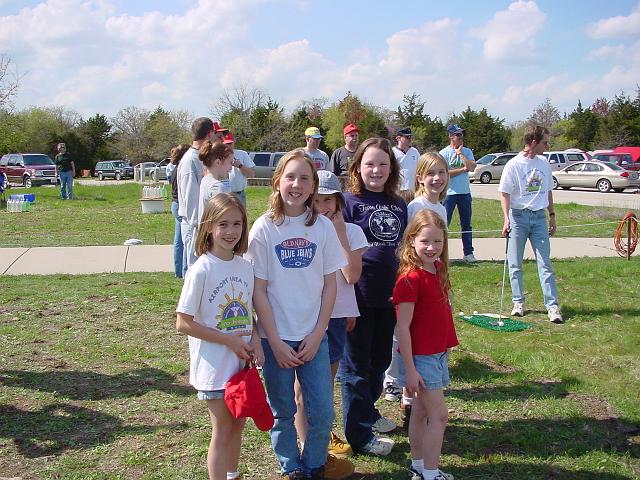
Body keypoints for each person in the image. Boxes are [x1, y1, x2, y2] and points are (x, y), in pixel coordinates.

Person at [246, 150, 352, 480]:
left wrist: (319, 332)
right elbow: (258, 289)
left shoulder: (321, 227)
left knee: (321, 412)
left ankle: (314, 465)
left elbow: (330, 285)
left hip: (313, 338)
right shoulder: (264, 228)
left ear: (313, 186)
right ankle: (290, 467)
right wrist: (273, 340)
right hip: (276, 338)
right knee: (283, 411)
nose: (297, 184)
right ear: (277, 182)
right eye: (290, 177)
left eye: (305, 178)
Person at [176, 193, 263, 480]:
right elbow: (183, 322)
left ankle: (233, 475)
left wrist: (257, 341)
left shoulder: (245, 266)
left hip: (241, 367)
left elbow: (249, 313)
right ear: (209, 227)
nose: (231, 231)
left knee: (238, 425)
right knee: (222, 429)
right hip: (214, 368)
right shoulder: (201, 269)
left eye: (237, 224)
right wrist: (229, 341)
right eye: (223, 224)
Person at [294, 170, 368, 462]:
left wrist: (338, 235)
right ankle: (306, 441)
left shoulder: (351, 232)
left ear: (339, 202)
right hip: (306, 315)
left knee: (324, 383)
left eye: (329, 200)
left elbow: (351, 276)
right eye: (317, 200)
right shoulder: (302, 228)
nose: (322, 206)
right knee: (303, 385)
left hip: (336, 317)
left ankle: (321, 435)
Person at [341, 137, 407, 456]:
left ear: (391, 168)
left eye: (383, 164)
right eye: (369, 163)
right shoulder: (348, 202)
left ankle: (368, 411)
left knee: (380, 361)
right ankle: (358, 434)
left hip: (389, 297)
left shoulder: (398, 203)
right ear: (358, 167)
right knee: (356, 368)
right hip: (358, 297)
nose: (376, 170)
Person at [385, 151, 450, 426]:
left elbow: (439, 246)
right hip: (415, 279)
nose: (437, 179)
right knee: (406, 331)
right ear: (420, 178)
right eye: (430, 173)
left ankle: (414, 395)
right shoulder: (416, 206)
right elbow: (409, 244)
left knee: (426, 330)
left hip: (434, 276)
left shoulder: (443, 208)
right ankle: (403, 390)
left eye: (442, 173)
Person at [393, 209, 458, 480]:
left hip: (437, 353)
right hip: (421, 358)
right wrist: (410, 369)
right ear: (411, 241)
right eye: (425, 242)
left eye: (438, 242)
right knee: (439, 416)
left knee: (420, 411)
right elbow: (403, 328)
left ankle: (419, 466)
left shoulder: (438, 268)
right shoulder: (410, 280)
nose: (432, 248)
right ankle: (430, 474)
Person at [498, 125, 563, 323]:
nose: (547, 145)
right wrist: (506, 217)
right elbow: (504, 192)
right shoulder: (513, 165)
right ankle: (518, 302)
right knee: (515, 263)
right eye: (545, 142)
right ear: (533, 142)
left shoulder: (544, 163)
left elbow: (548, 190)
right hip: (518, 217)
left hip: (539, 217)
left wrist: (551, 214)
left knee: (545, 263)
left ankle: (552, 306)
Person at [177, 117, 217, 274]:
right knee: (196, 273)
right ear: (209, 133)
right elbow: (191, 199)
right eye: (214, 133)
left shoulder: (200, 158)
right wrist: (202, 229)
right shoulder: (190, 160)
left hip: (204, 225)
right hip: (195, 227)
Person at [440, 124, 476, 263]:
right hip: (449, 193)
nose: (460, 137)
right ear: (450, 136)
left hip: (464, 193)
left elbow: (472, 167)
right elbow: (445, 173)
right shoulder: (443, 153)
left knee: (466, 224)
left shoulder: (466, 151)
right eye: (457, 135)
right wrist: (462, 169)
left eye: (461, 134)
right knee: (444, 223)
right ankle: (442, 253)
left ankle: (468, 253)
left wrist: (461, 154)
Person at [169, 144, 190, 278]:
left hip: (175, 204)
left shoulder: (175, 169)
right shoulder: (182, 169)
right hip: (179, 205)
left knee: (178, 240)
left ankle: (178, 271)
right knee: (185, 240)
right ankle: (184, 270)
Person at [198, 141, 233, 223]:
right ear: (218, 162)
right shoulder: (217, 187)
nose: (231, 168)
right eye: (230, 163)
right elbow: (225, 219)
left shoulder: (205, 180)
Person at [223, 132, 256, 208]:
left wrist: (240, 166)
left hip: (239, 195)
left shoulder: (242, 154)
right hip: (224, 195)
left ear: (234, 141)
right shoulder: (218, 155)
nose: (228, 146)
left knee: (241, 218)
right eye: (225, 144)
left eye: (230, 143)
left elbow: (252, 174)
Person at [392, 127, 420, 202]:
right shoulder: (392, 152)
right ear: (398, 138)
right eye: (407, 137)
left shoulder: (415, 152)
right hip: (398, 190)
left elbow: (419, 168)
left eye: (410, 137)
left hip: (412, 190)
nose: (410, 139)